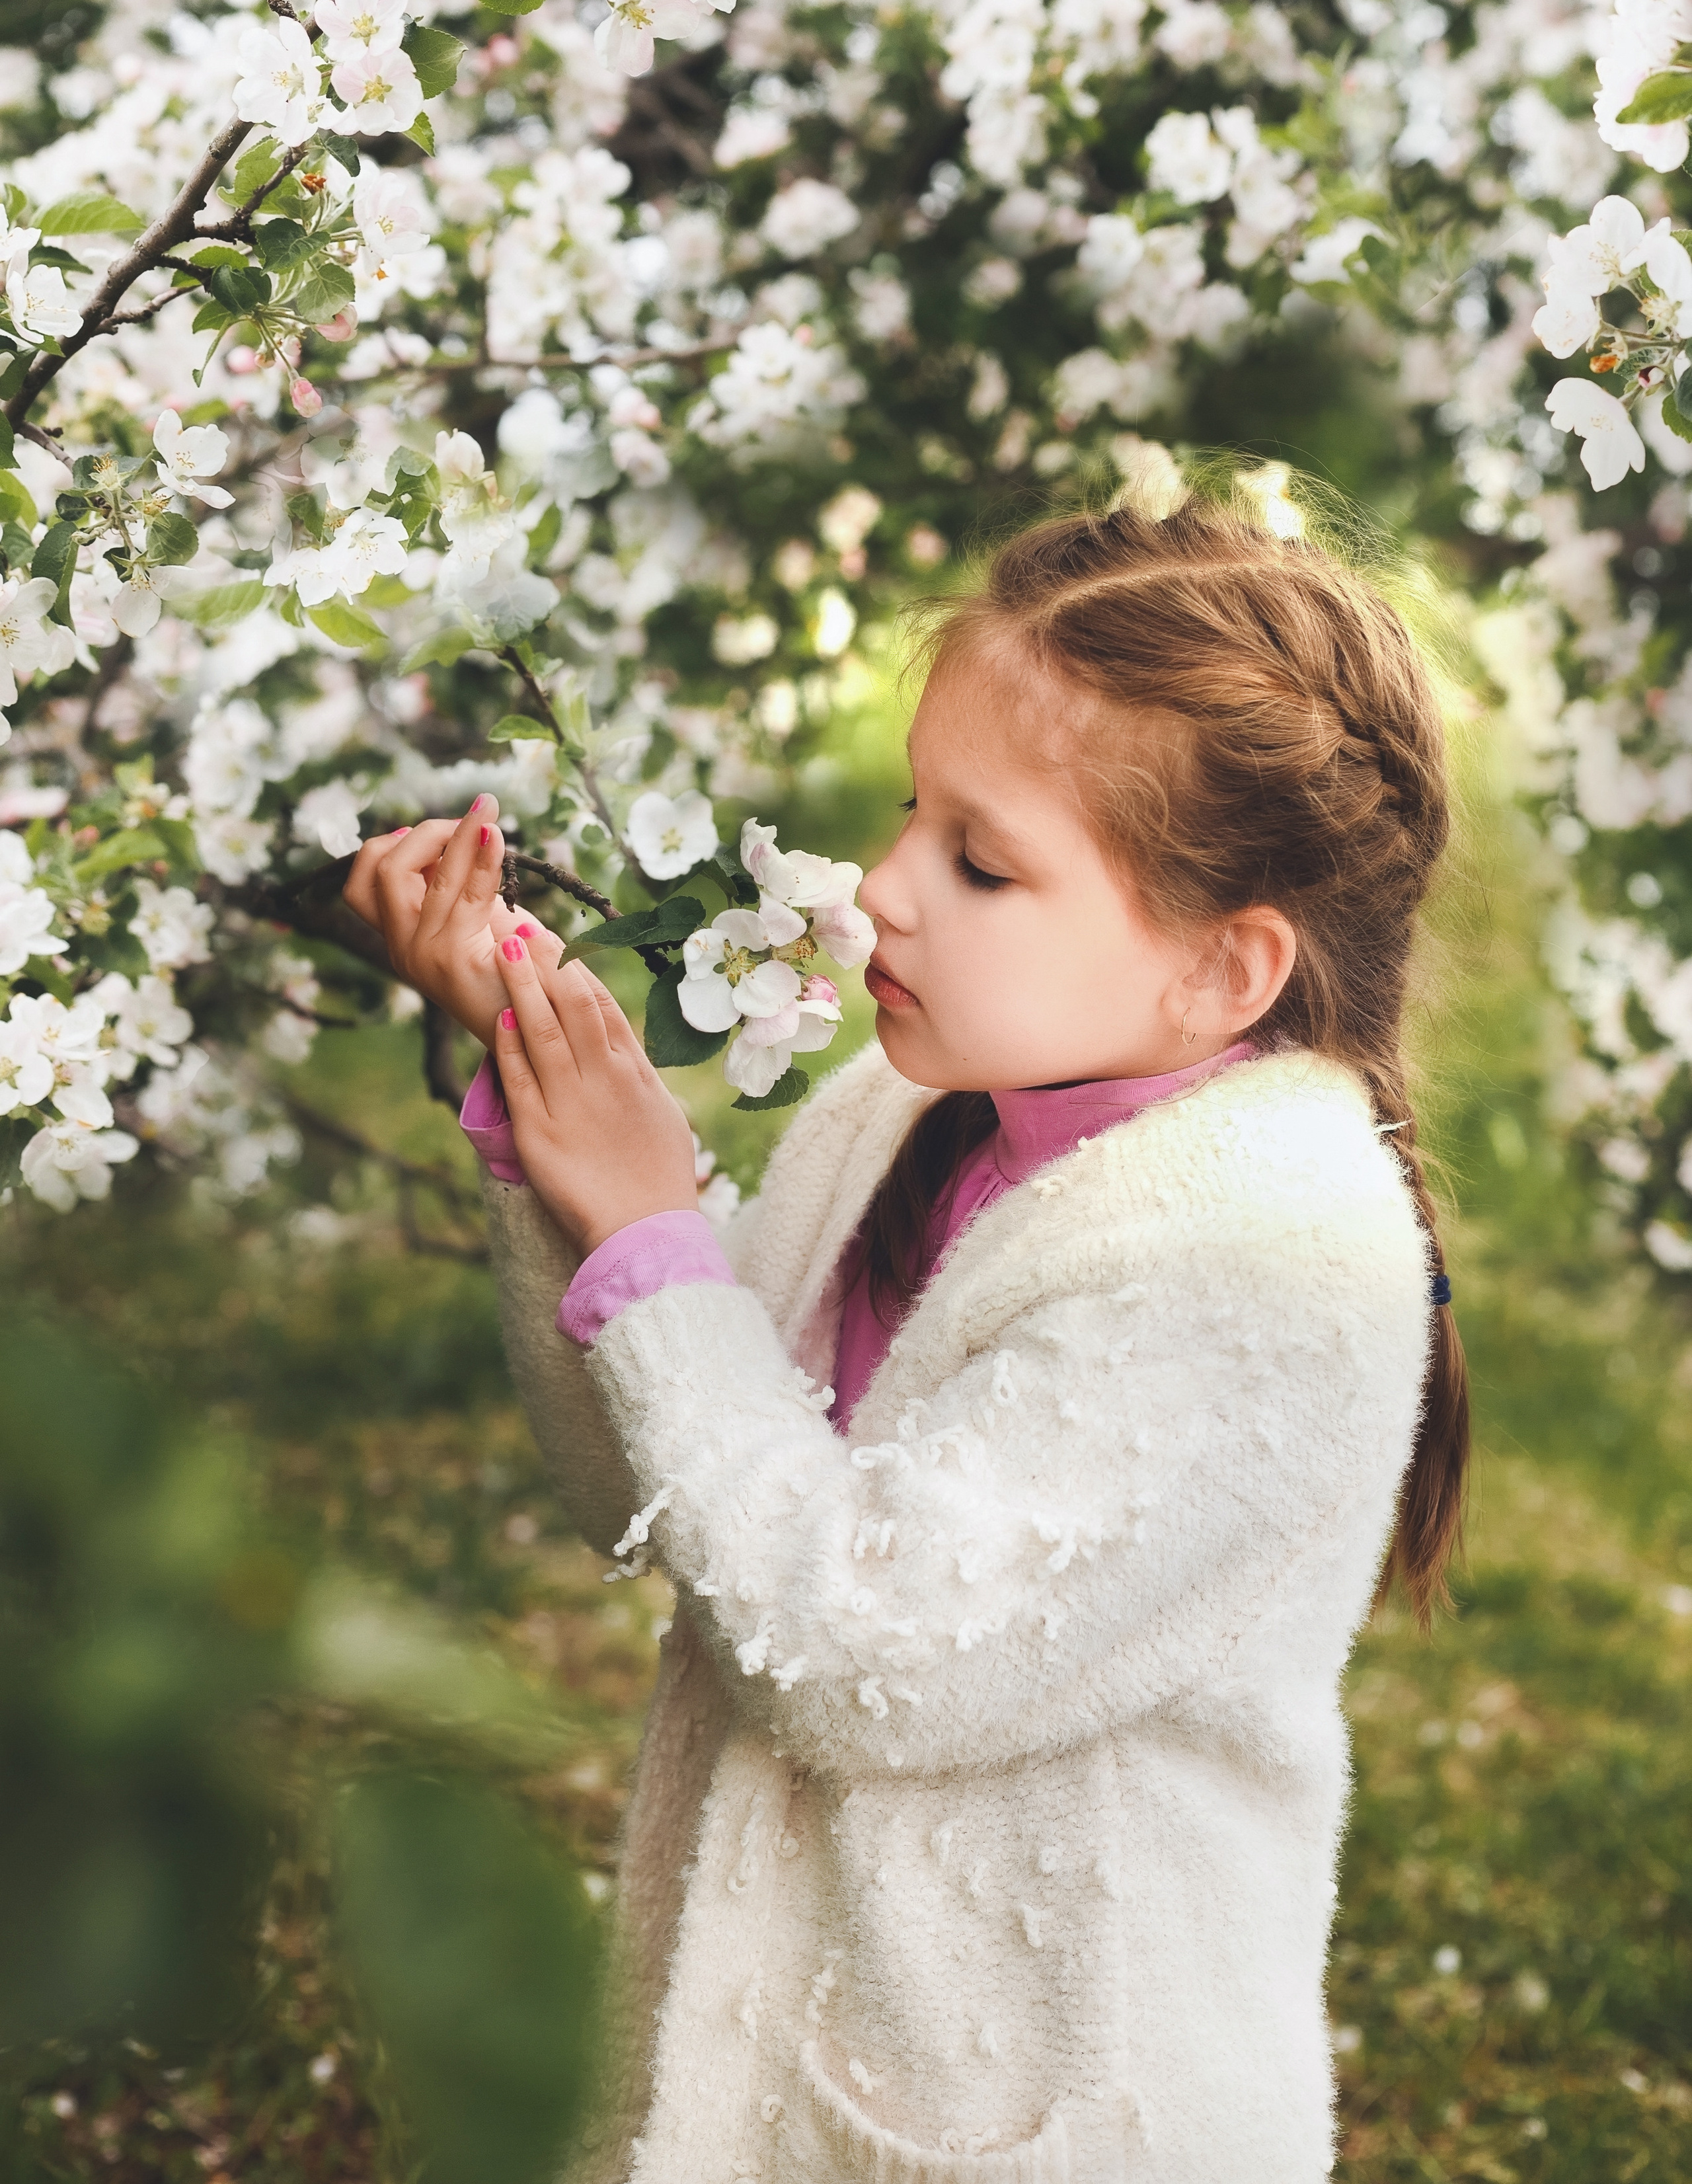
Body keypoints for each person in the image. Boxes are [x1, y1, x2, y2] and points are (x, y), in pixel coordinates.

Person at [345, 484, 1467, 2184]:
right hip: (774, 2057)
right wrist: (560, 1137)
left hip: (1046, 2113)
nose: (879, 887)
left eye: (980, 859)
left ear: (1219, 972)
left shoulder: (1267, 1263)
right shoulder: (901, 1113)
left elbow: (848, 1653)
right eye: (906, 813)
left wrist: (655, 1239)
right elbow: (655, 1492)